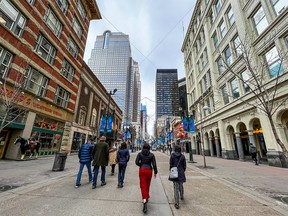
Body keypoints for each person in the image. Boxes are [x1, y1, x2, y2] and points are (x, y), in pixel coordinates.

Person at [135, 143, 158, 214]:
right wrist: (155, 172)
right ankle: (146, 197)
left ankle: (144, 201)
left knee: (143, 186)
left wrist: (141, 165)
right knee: (147, 185)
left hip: (142, 170)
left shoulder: (140, 154)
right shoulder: (151, 155)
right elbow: (154, 164)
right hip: (149, 171)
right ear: (149, 148)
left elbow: (136, 162)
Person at [169, 144, 186, 209]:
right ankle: (181, 195)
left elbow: (170, 164)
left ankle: (177, 203)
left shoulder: (172, 156)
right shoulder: (182, 156)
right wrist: (182, 170)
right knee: (181, 185)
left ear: (175, 149)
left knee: (176, 187)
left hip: (174, 173)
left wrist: (171, 170)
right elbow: (184, 166)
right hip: (181, 172)